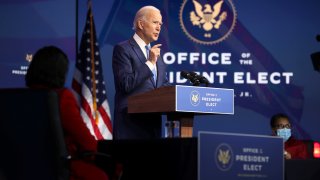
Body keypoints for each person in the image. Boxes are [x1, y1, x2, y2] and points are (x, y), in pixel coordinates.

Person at [25, 46, 109, 180]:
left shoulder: (19, 99)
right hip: (60, 169)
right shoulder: (61, 97)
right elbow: (87, 143)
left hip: (25, 168)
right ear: (60, 72)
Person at [112, 6, 171, 139]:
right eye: (155, 22)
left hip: (153, 128)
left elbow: (162, 86)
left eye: (160, 24)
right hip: (130, 127)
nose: (159, 27)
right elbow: (126, 84)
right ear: (141, 24)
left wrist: (182, 94)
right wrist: (149, 63)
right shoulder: (123, 49)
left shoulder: (157, 56)